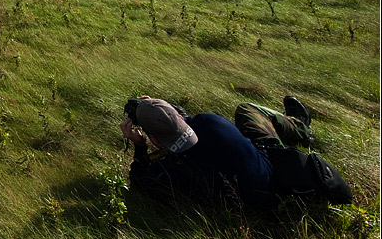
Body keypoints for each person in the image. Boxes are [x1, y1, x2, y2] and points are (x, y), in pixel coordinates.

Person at [120, 95, 350, 208]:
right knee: (247, 110)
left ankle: (300, 124)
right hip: (271, 171)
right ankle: (299, 125)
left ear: (153, 139)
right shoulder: (210, 122)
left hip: (251, 206)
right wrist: (160, 109)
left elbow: (139, 185)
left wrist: (140, 148)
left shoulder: (167, 171)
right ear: (180, 117)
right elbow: (184, 123)